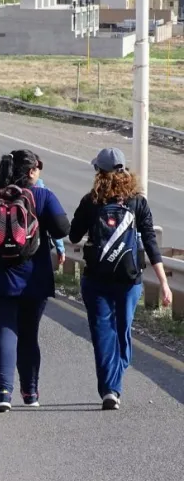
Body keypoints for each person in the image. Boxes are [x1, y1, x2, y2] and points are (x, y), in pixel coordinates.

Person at [0, 149, 71, 412]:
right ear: (31, 171)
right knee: (29, 335)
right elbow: (63, 229)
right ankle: (30, 392)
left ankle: (3, 393)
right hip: (35, 276)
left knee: (4, 332)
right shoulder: (41, 195)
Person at [68, 147, 173, 411]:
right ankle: (117, 376)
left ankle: (110, 390)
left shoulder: (90, 201)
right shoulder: (138, 202)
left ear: (98, 172)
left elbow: (73, 235)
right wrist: (164, 283)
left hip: (96, 278)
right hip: (129, 280)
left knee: (103, 333)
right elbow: (150, 242)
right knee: (123, 330)